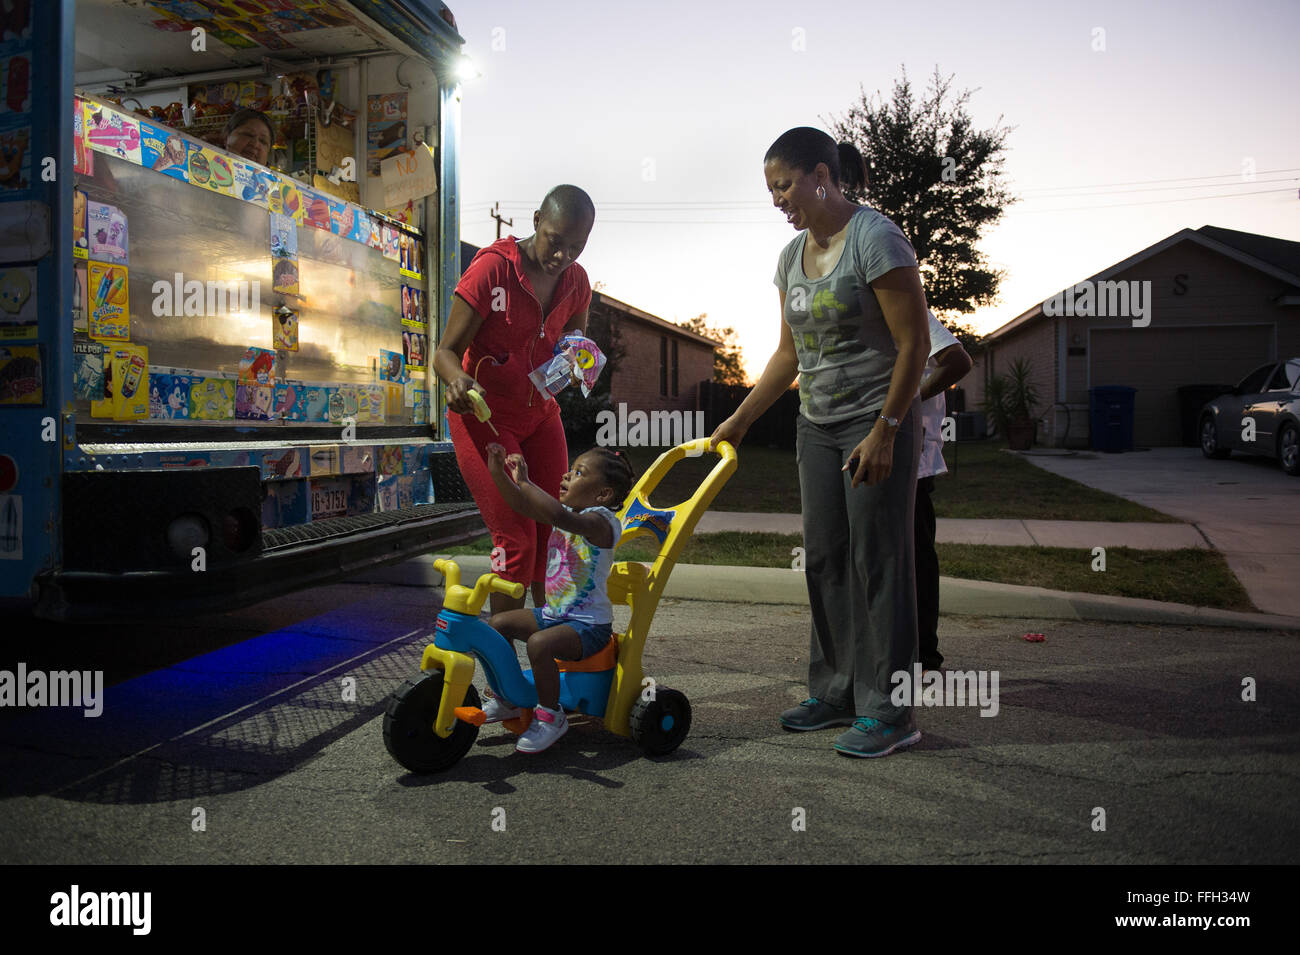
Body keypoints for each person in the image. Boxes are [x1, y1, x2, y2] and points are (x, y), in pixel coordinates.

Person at [709, 127, 930, 758]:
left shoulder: (877, 238)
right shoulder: (790, 258)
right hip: (817, 424)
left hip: (874, 420)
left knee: (879, 560)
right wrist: (741, 420)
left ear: (821, 175)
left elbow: (913, 346)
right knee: (826, 558)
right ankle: (834, 692)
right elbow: (787, 356)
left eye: (784, 185)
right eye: (771, 189)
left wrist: (887, 430)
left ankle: (889, 710)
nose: (777, 199)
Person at [434, 185, 596, 615]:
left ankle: (550, 657)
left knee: (555, 534)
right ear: (537, 220)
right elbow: (444, 353)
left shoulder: (577, 282)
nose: (562, 256)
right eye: (555, 241)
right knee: (518, 542)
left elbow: (574, 341)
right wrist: (458, 382)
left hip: (541, 414)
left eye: (575, 247)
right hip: (485, 415)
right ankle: (500, 675)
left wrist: (581, 358)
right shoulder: (492, 269)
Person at [481, 443, 634, 754]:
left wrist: (525, 482)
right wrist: (499, 473)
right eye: (571, 469)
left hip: (589, 627)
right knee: (497, 625)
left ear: (602, 494)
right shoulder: (570, 515)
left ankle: (551, 717)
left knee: (540, 644)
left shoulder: (599, 522)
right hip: (555, 615)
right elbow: (520, 505)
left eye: (578, 473)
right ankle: (507, 699)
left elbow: (557, 515)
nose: (566, 474)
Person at [916, 313, 973, 673]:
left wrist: (903, 401)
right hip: (869, 446)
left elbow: (957, 361)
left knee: (914, 555)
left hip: (912, 455)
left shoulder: (913, 311)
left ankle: (923, 654)